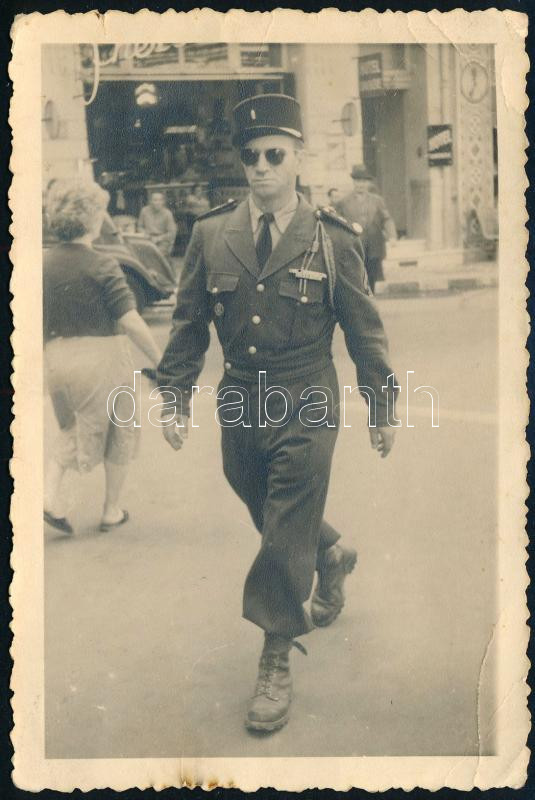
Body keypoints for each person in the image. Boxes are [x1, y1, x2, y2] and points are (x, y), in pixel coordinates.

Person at [157, 94, 397, 733]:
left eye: (274, 155)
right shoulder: (212, 233)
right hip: (240, 396)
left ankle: (275, 654)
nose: (261, 167)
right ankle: (332, 553)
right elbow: (188, 324)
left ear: (297, 159)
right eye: (251, 157)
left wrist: (381, 405)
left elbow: (364, 329)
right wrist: (174, 397)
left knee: (286, 520)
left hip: (307, 395)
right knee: (254, 492)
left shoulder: (331, 237)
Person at [43, 179, 162, 534]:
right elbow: (130, 321)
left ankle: (51, 496)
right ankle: (110, 510)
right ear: (92, 218)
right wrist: (160, 360)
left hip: (57, 358)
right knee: (121, 431)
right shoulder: (103, 264)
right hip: (103, 359)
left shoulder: (41, 264)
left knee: (73, 428)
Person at [336, 165, 397, 292]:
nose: (361, 185)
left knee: (371, 279)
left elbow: (386, 219)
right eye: (358, 181)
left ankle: (370, 300)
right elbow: (338, 223)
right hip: (353, 247)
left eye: (364, 181)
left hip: (373, 247)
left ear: (368, 183)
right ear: (353, 182)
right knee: (355, 279)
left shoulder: (377, 200)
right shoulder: (344, 202)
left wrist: (392, 236)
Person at [137, 191, 177, 259]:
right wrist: (145, 234)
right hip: (147, 239)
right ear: (150, 201)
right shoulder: (144, 211)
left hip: (162, 241)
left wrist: (158, 238)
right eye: (155, 200)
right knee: (139, 254)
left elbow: (172, 232)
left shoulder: (167, 213)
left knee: (156, 255)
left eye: (160, 200)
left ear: (163, 202)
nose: (158, 202)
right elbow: (139, 226)